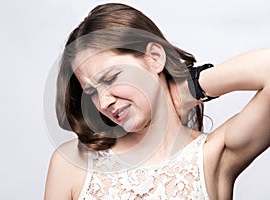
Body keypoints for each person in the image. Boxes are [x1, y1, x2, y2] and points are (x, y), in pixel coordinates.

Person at [44, 3, 270, 200]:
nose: (103, 102)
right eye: (91, 92)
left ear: (154, 58)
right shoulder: (71, 165)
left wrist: (189, 89)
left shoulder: (213, 156)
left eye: (111, 78)